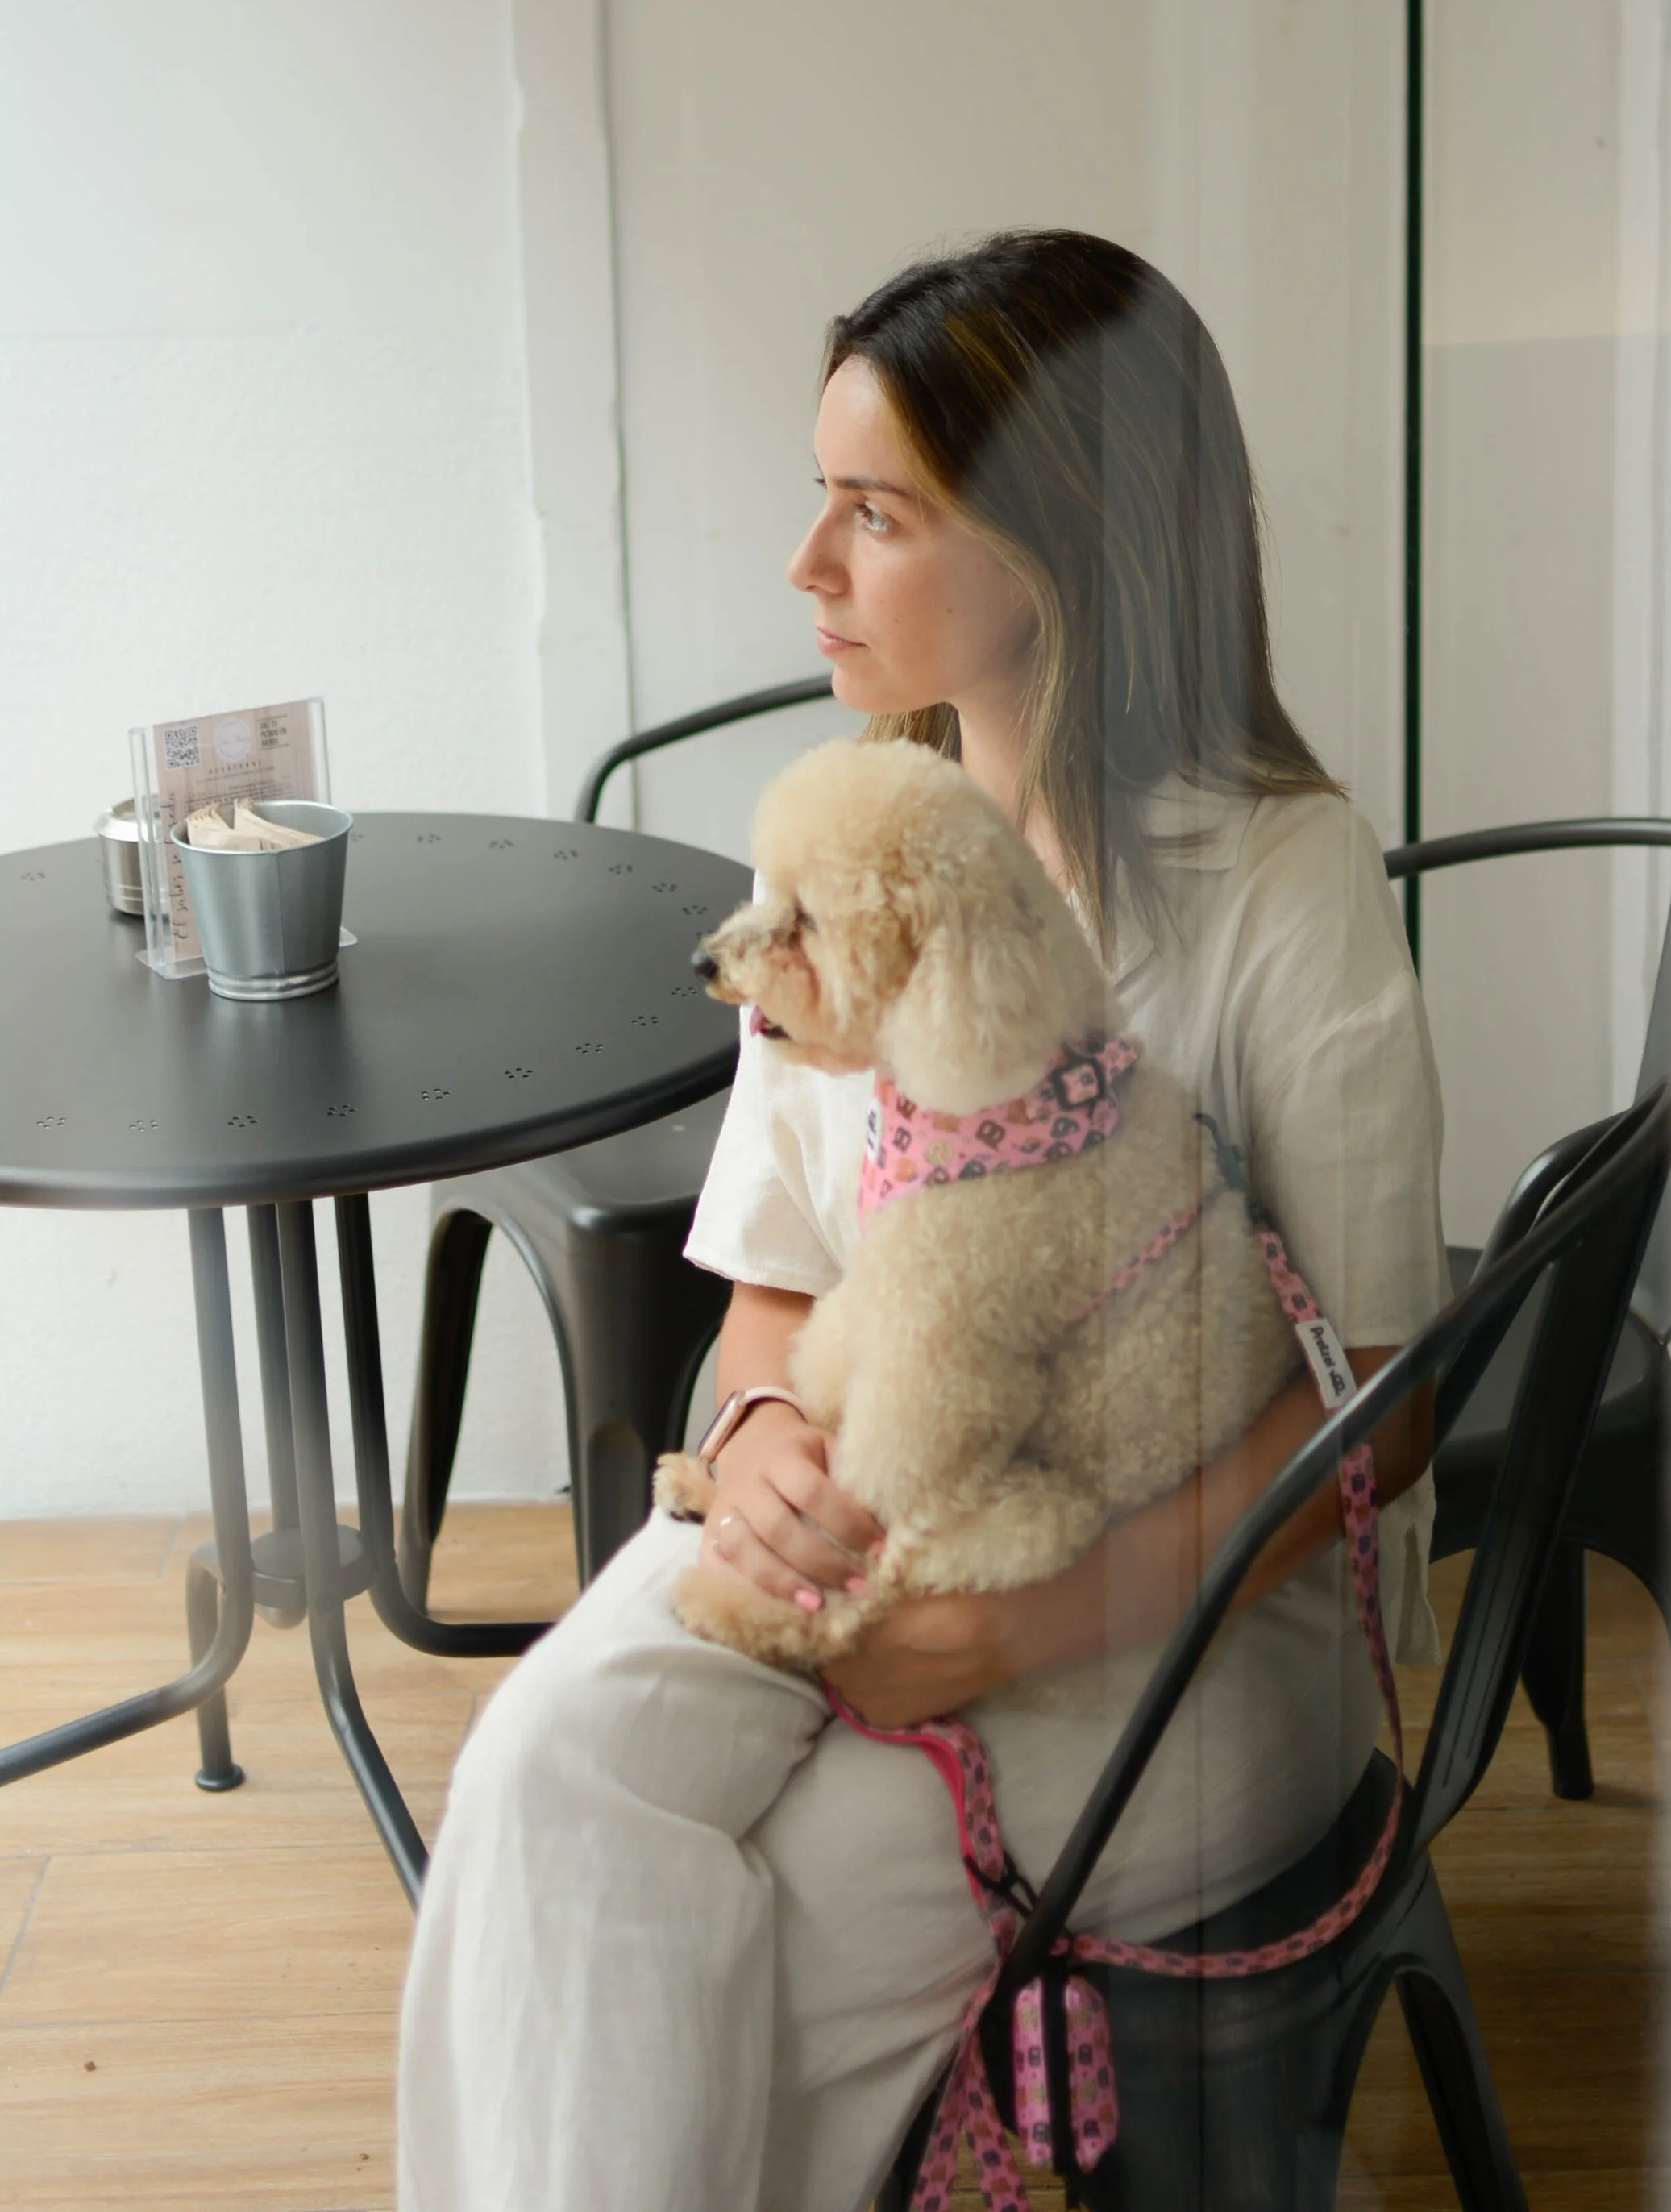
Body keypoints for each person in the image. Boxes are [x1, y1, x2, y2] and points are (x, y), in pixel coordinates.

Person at [397, 230, 1449, 2212]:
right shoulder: (861, 841)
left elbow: (1374, 1407)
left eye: (871, 514)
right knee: (545, 1780)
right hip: (862, 1517)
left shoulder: (1280, 878)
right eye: (821, 500)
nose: (805, 567)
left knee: (777, 1928)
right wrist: (769, 1436)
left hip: (1198, 1608)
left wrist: (1031, 1619)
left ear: (1057, 547)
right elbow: (768, 1294)